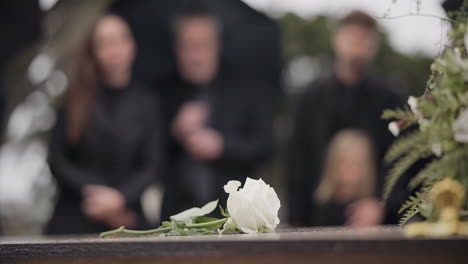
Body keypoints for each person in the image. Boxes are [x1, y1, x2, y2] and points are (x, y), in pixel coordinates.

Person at [46, 14, 162, 234]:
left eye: (120, 40)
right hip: (75, 215)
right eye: (106, 43)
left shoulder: (147, 102)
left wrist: (119, 198)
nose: (115, 49)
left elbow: (152, 165)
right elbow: (57, 159)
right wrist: (94, 193)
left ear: (132, 46)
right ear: (94, 52)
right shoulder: (74, 98)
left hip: (127, 218)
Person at [287, 10, 402, 227]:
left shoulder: (391, 100)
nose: (358, 44)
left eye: (364, 38)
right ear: (336, 40)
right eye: (352, 37)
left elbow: (399, 162)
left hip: (377, 223)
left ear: (374, 45)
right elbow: (297, 163)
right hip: (317, 220)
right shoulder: (309, 99)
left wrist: (382, 205)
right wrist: (296, 220)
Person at [159, 7, 274, 220]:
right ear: (176, 48)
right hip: (177, 216)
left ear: (216, 46)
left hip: (233, 215)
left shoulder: (246, 90)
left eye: (201, 46)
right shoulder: (163, 92)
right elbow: (147, 158)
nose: (194, 56)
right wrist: (175, 131)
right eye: (187, 47)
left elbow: (265, 146)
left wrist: (222, 146)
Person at [312, 129, 382, 227]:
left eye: (357, 164)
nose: (350, 169)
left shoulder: (375, 208)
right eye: (344, 162)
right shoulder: (319, 209)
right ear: (333, 165)